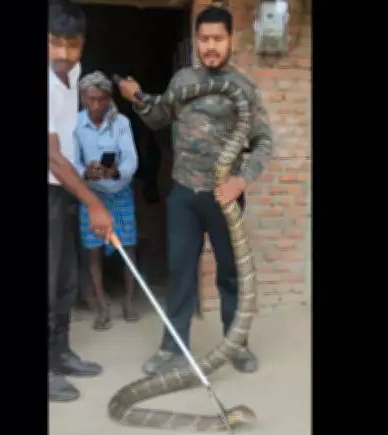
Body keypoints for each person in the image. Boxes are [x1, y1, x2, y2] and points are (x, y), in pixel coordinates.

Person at [116, 6, 274, 376]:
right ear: (197, 41)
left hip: (225, 198)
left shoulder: (244, 86)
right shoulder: (183, 80)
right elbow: (160, 117)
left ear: (231, 40)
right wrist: (138, 99)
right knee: (181, 271)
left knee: (230, 275)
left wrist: (241, 181)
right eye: (204, 39)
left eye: (218, 39)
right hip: (184, 195)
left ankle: (237, 344)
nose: (210, 46)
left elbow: (264, 141)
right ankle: (173, 349)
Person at [48, 2, 110, 403]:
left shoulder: (73, 81)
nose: (63, 55)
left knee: (65, 278)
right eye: (54, 43)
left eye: (72, 46)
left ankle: (61, 353)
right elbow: (52, 155)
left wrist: (86, 175)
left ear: (82, 45)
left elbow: (65, 150)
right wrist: (94, 203)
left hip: (62, 192)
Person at [73, 71, 141, 330]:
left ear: (109, 98)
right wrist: (86, 172)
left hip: (120, 191)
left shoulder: (120, 122)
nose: (96, 106)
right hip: (91, 195)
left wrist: (114, 171)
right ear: (82, 98)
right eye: (90, 100)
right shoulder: (76, 124)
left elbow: (131, 159)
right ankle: (101, 306)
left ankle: (129, 301)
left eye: (102, 100)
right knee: (94, 250)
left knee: (129, 248)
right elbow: (72, 162)